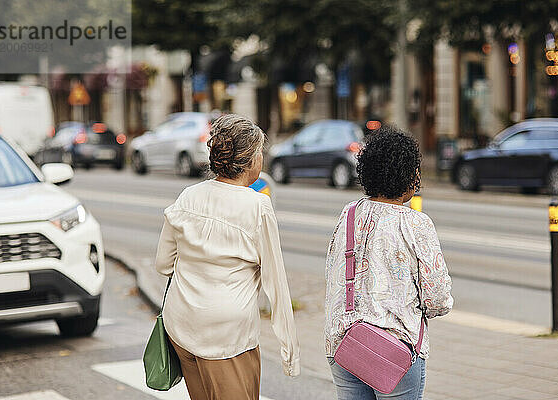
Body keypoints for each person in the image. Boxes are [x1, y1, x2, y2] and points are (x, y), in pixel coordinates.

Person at [155, 114, 300, 400]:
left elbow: (162, 264)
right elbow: (276, 282)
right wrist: (290, 352)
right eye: (260, 153)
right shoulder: (257, 205)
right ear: (250, 161)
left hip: (181, 325)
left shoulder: (187, 196)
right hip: (226, 336)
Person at [324, 125, 453, 400]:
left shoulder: (348, 214)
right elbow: (438, 299)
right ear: (409, 176)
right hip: (394, 350)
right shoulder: (416, 223)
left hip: (344, 342)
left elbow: (332, 270)